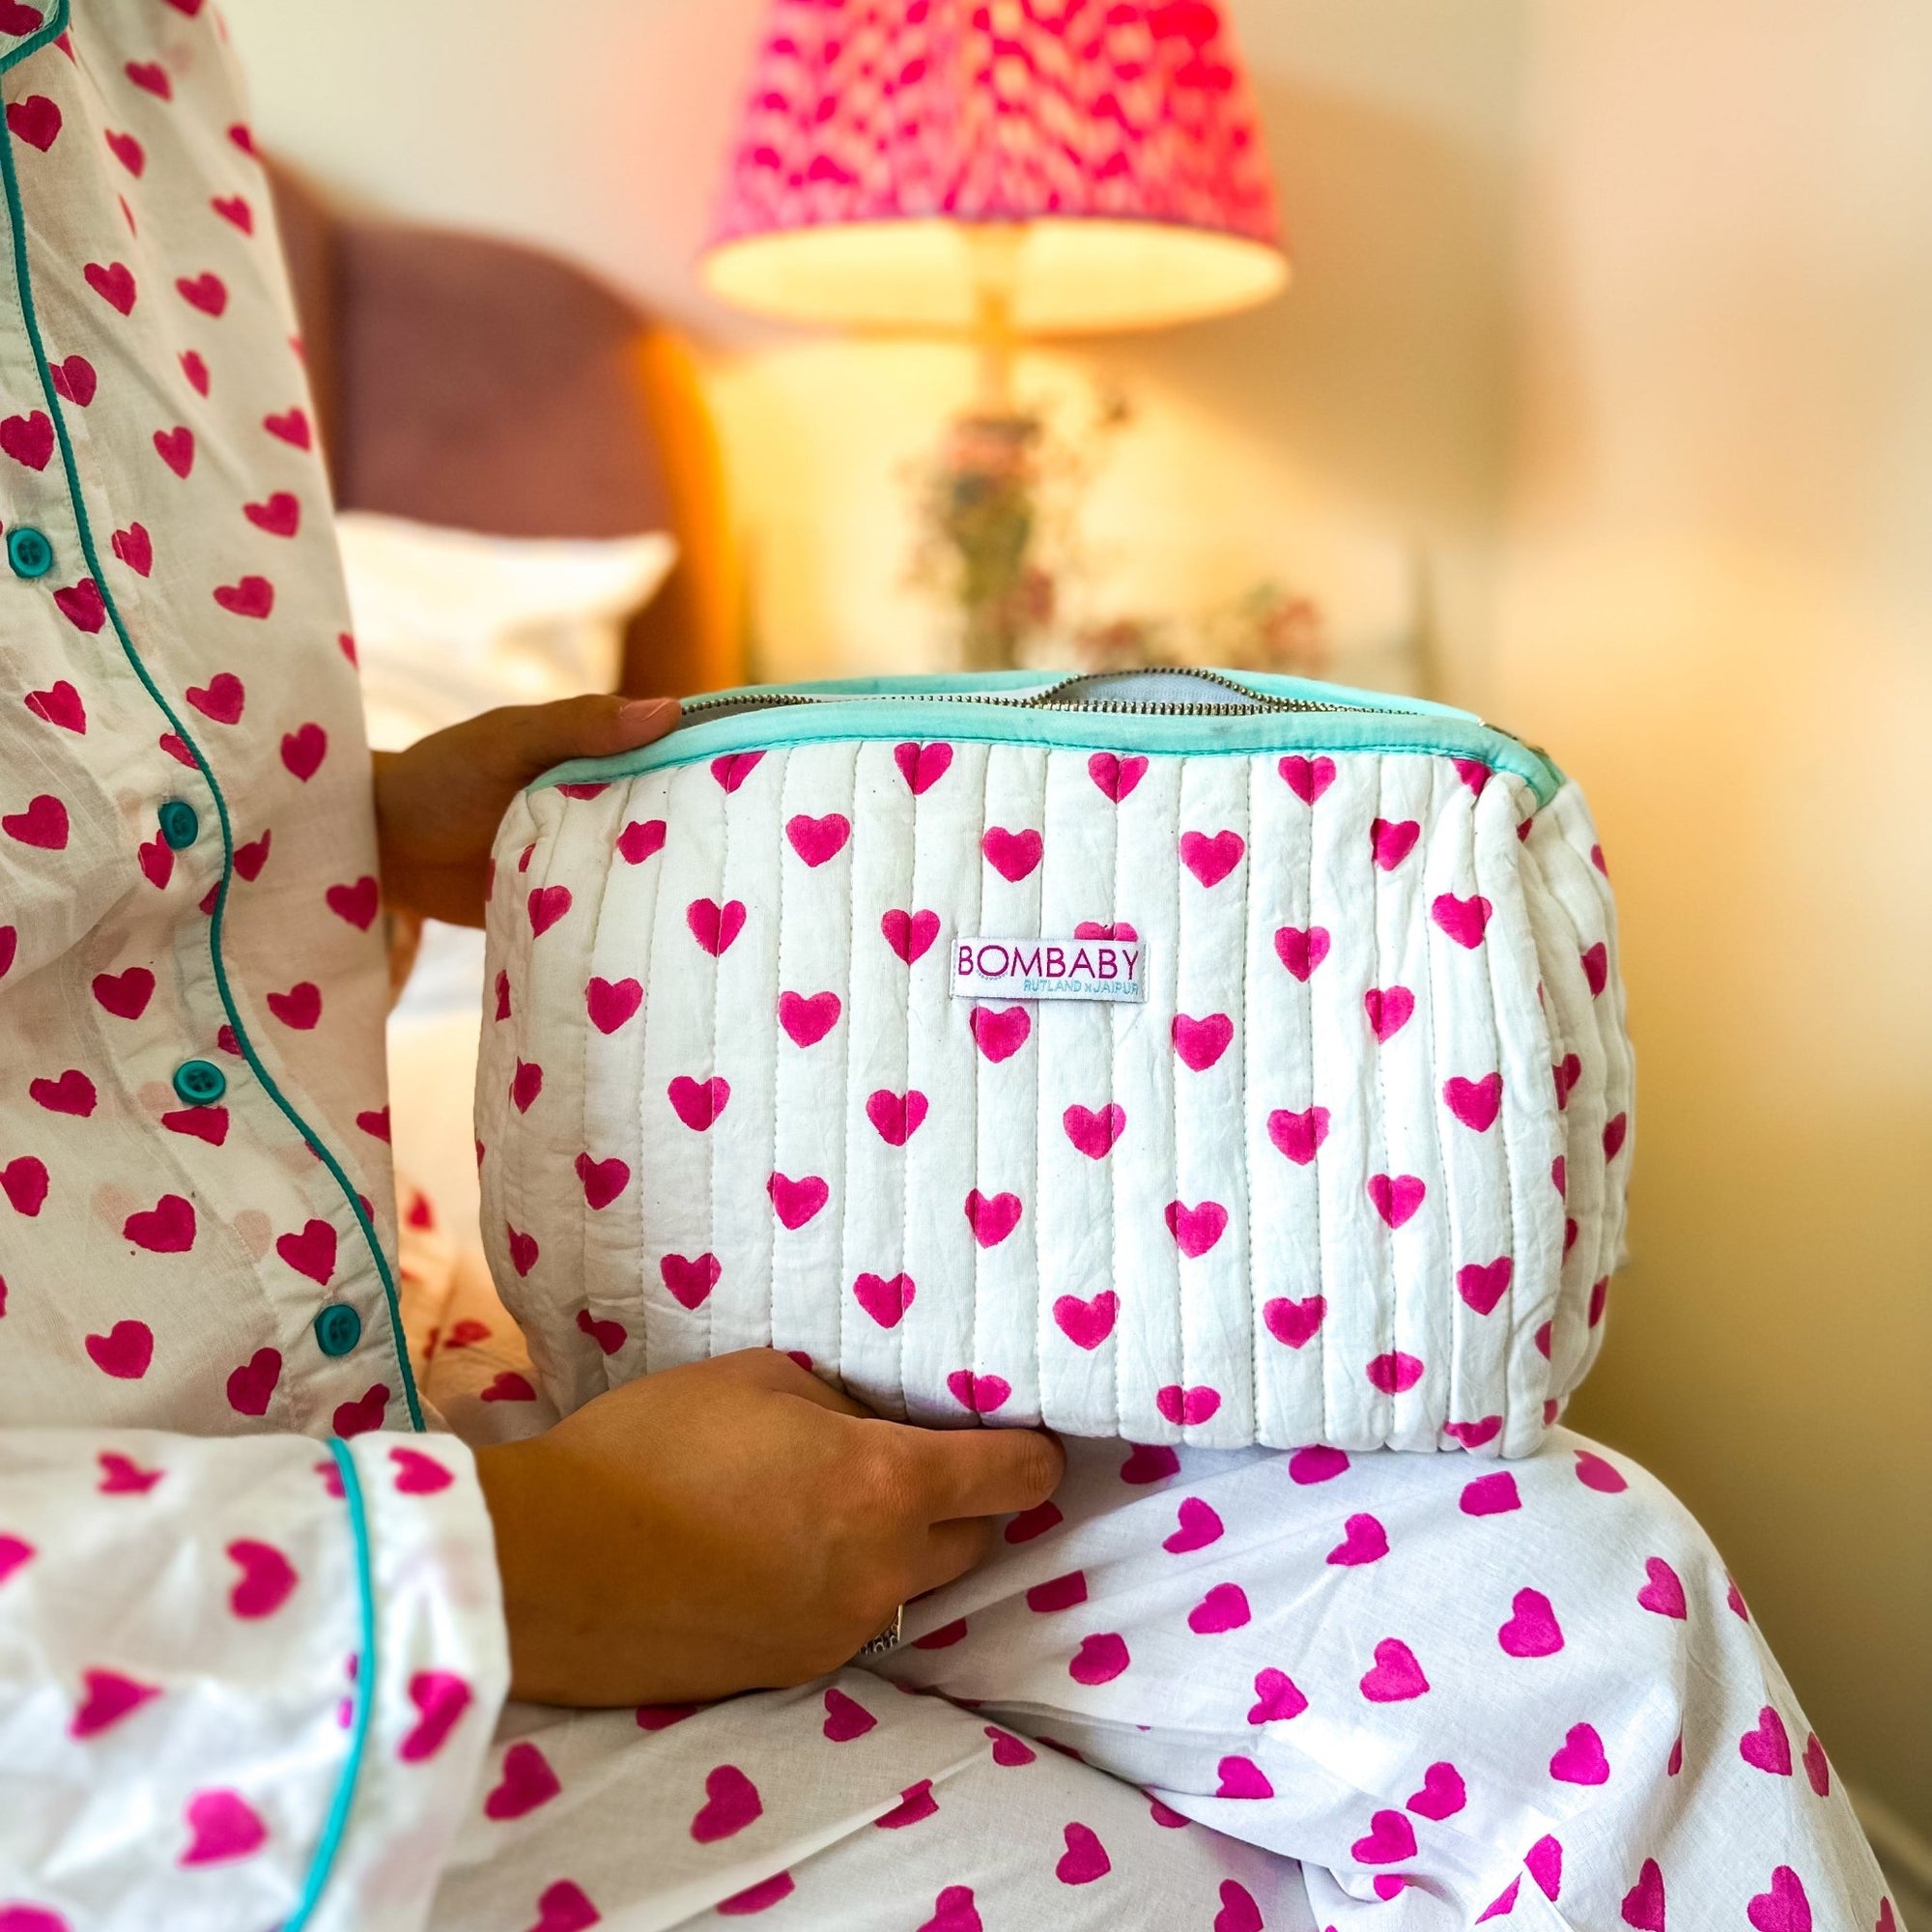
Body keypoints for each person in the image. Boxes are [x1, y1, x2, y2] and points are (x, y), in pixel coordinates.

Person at [0, 9, 1898, 1930]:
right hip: (199, 1665)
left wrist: (336, 842)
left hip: (372, 1376)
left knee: (1600, 1599)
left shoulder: (135, 77)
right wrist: (523, 1556)